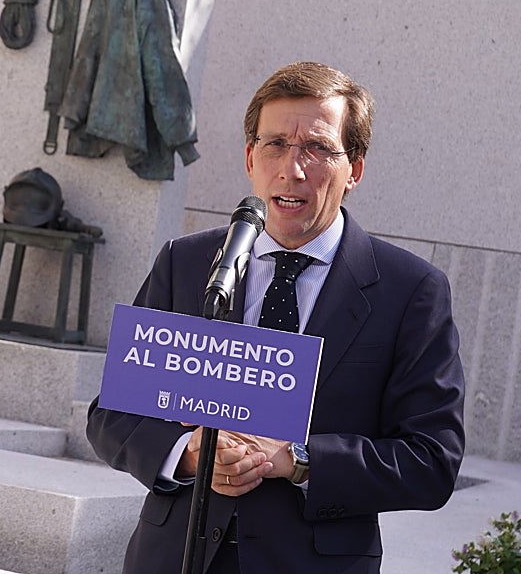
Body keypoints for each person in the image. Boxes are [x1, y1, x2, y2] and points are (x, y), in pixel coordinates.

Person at [86, 61, 465, 574]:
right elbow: (111, 415)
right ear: (250, 157)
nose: (293, 168)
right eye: (276, 145)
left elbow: (432, 461)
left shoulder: (411, 291)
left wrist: (298, 459)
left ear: (354, 170)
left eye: (318, 148)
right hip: (175, 557)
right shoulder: (188, 264)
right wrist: (192, 453)